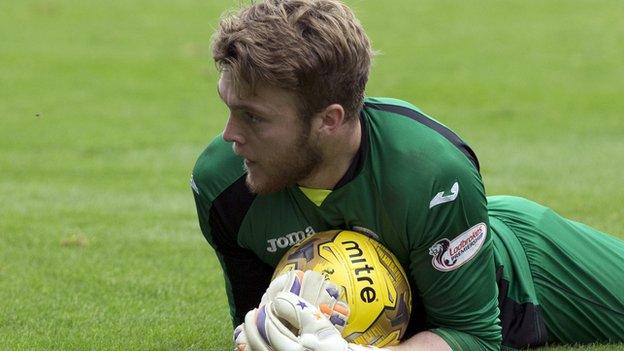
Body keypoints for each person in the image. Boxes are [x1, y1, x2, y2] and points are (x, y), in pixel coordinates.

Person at [190, 0, 624, 350]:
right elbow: (260, 326)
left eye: (253, 117)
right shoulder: (222, 186)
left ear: (329, 119)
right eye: (228, 107)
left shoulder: (432, 171)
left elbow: (473, 333)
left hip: (530, 271)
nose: (231, 135)